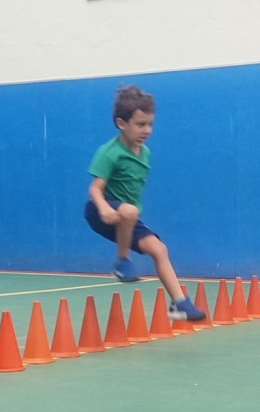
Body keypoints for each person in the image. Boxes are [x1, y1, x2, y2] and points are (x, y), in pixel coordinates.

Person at [84, 85, 205, 321]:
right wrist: (105, 208)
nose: (146, 130)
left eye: (150, 124)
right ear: (122, 124)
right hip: (101, 211)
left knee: (160, 249)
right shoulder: (109, 152)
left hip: (127, 216)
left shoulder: (145, 152)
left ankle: (180, 303)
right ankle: (122, 262)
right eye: (140, 125)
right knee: (129, 211)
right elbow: (95, 189)